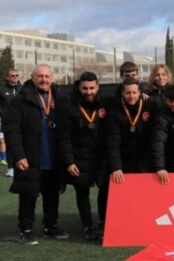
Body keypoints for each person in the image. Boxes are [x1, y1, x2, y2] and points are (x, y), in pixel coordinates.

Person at [5, 64, 68, 244]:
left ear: (52, 78)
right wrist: (18, 155)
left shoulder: (60, 97)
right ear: (32, 78)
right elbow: (12, 130)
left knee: (52, 194)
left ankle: (50, 226)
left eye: (47, 76)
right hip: (30, 157)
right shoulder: (21, 99)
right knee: (28, 194)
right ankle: (25, 230)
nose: (44, 80)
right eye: (40, 76)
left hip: (53, 157)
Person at [56, 72, 105, 240]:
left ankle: (103, 222)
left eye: (92, 88)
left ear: (98, 86)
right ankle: (87, 226)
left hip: (101, 157)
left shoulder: (105, 104)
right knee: (82, 192)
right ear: (79, 87)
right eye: (85, 88)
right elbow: (63, 137)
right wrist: (69, 161)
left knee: (104, 190)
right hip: (79, 157)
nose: (89, 92)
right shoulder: (68, 106)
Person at [150, 84, 174, 184]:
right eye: (171, 101)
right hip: (169, 157)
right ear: (166, 100)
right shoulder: (161, 116)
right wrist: (160, 167)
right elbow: (159, 141)